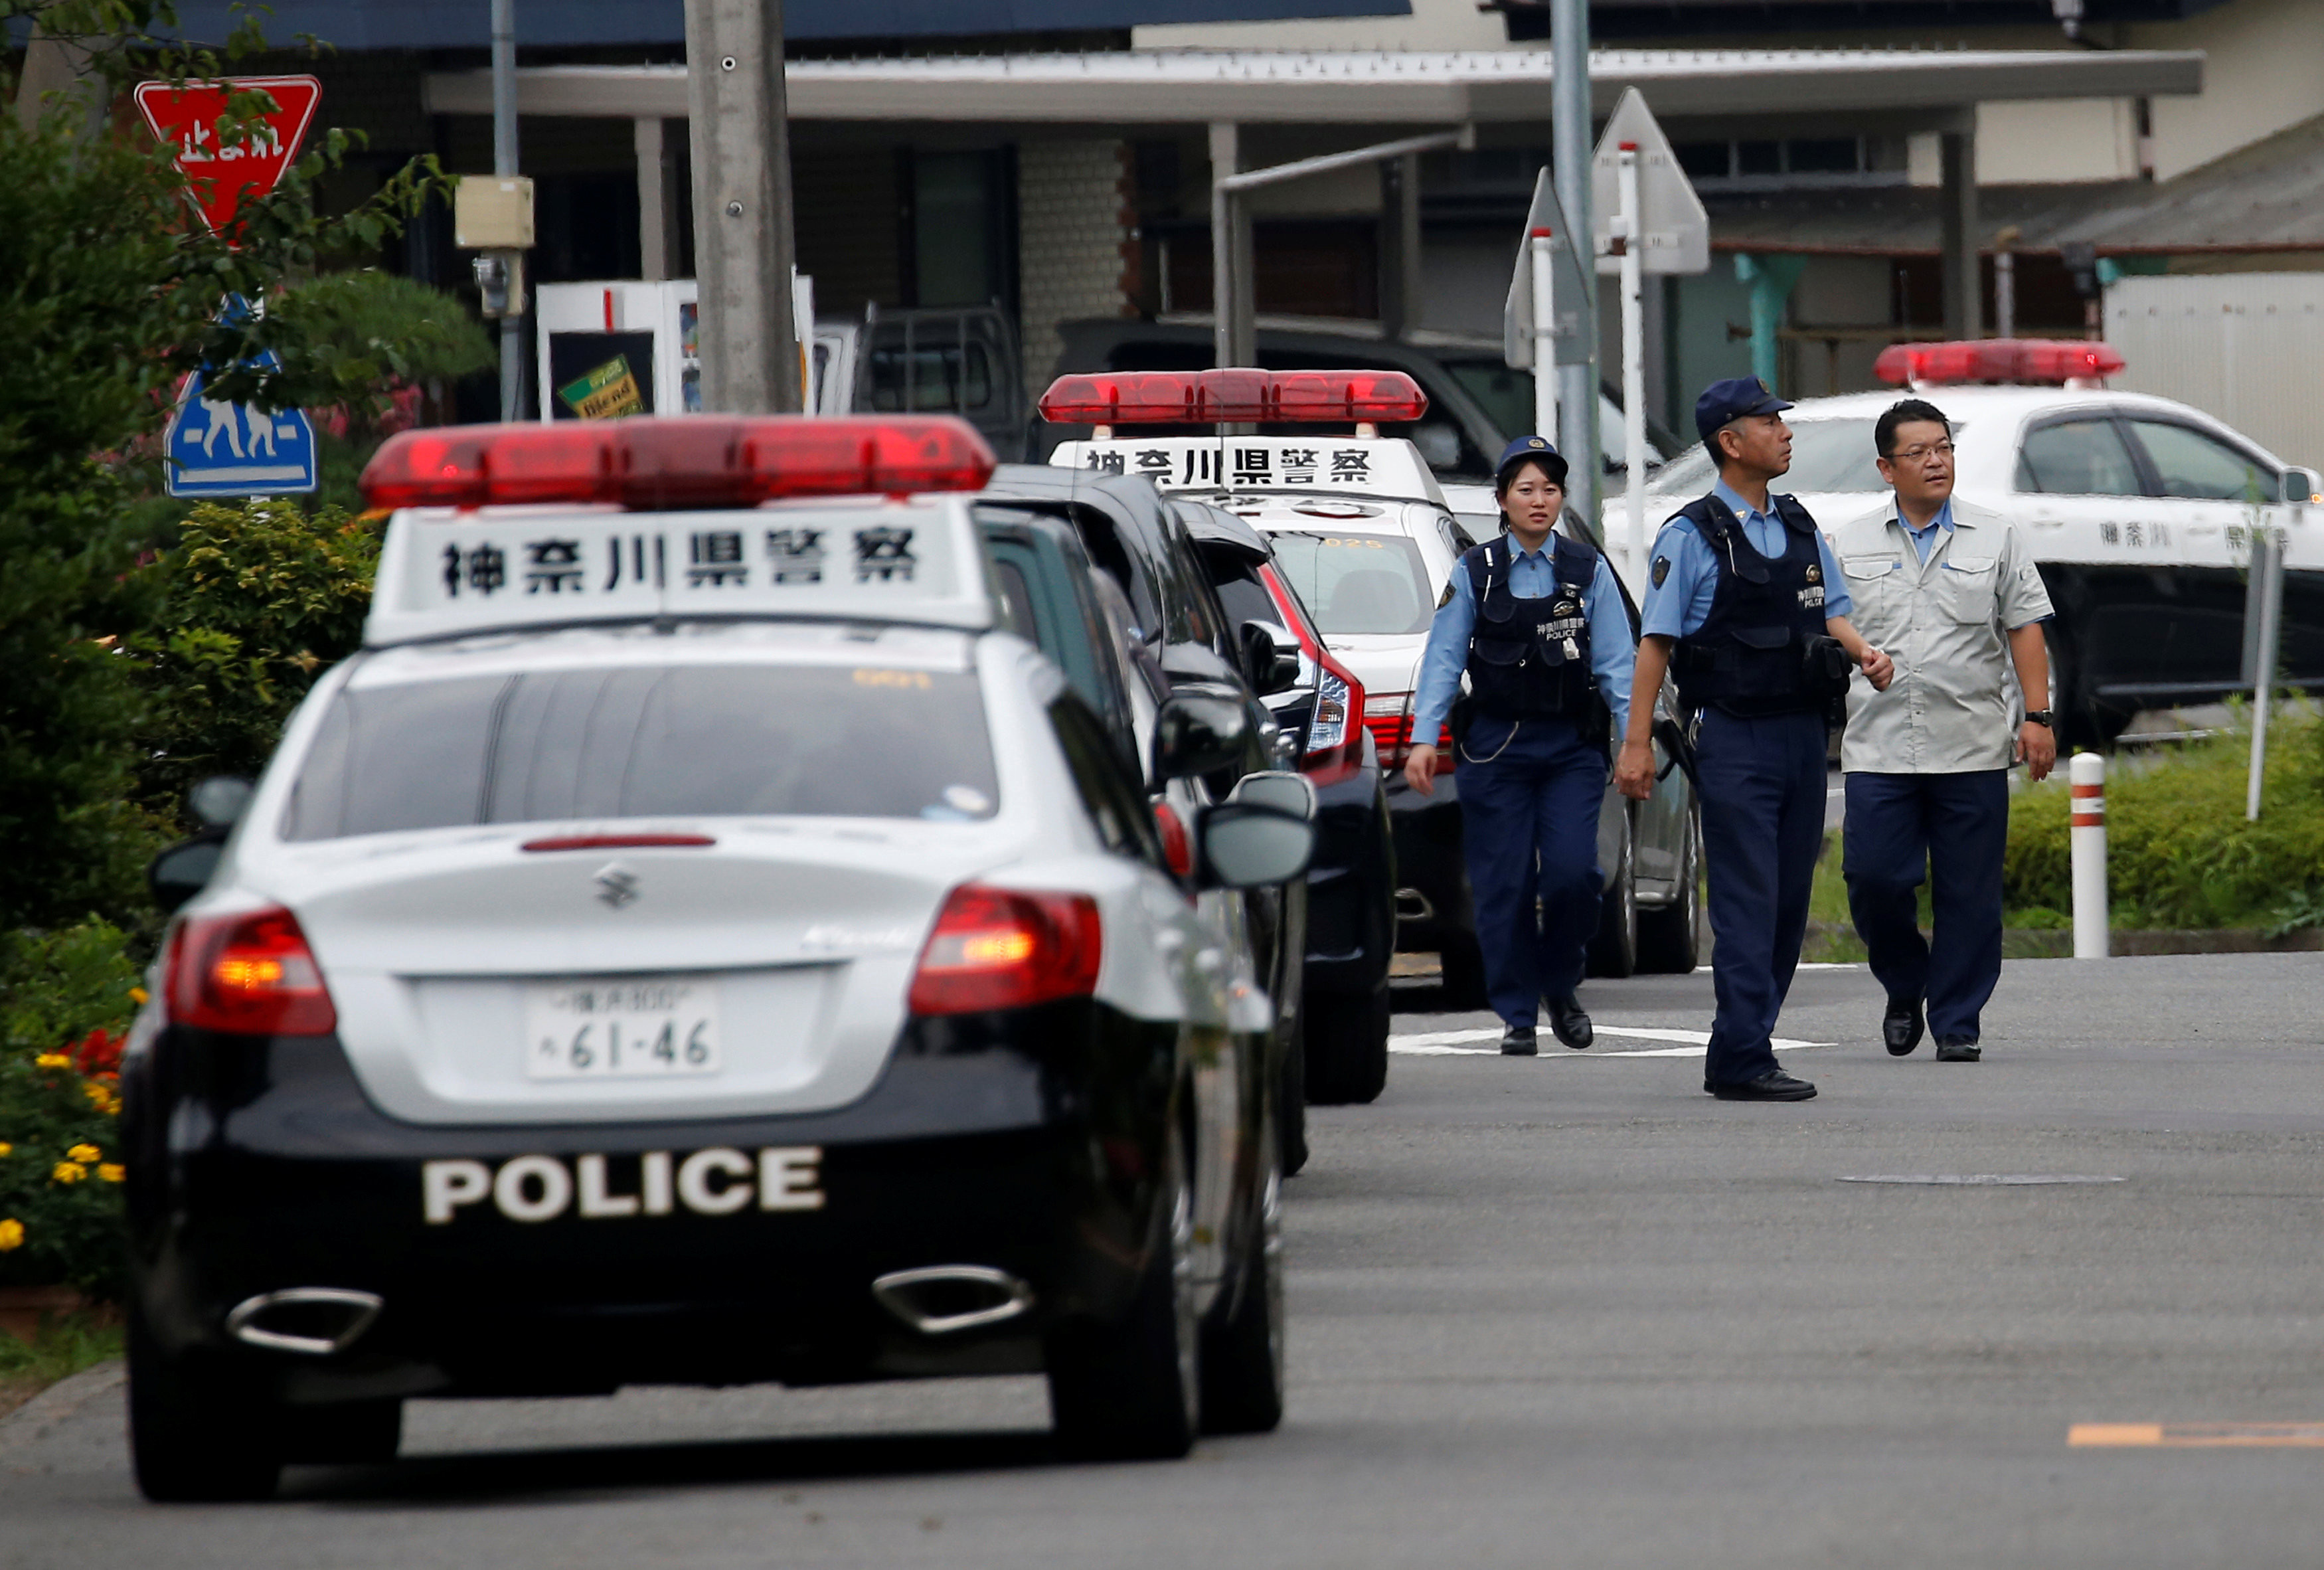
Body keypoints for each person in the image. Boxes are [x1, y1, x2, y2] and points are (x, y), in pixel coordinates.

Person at [1614, 378, 1894, 1102]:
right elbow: (1655, 643)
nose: (1784, 431)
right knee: (1746, 899)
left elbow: (1830, 610)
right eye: (1769, 422)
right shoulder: (1690, 535)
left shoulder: (1798, 526)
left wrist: (1865, 654)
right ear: (1729, 442)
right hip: (1735, 738)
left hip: (1803, 737)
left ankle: (1739, 1044)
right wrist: (1637, 743)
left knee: (1787, 903)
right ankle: (1742, 1053)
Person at [1833, 398, 2056, 1063]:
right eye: (1919, 452)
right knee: (1872, 880)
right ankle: (1905, 984)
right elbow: (1826, 621)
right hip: (1878, 747)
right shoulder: (1847, 542)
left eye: (1944, 449)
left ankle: (1956, 1019)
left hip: (1971, 746)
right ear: (1884, 467)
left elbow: (2024, 625)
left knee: (1969, 895)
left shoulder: (1996, 535)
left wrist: (2037, 716)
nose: (1935, 462)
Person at [1405, 436, 1635, 1056]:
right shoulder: (1474, 572)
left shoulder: (1588, 572)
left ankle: (1560, 984)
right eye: (1526, 490)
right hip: (1495, 752)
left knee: (1574, 876)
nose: (1539, 501)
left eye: (1550, 489)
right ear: (1502, 500)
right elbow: (1444, 660)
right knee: (1502, 884)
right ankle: (1516, 1014)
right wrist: (1425, 739)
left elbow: (1618, 661)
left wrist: (1632, 739)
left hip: (1570, 751)